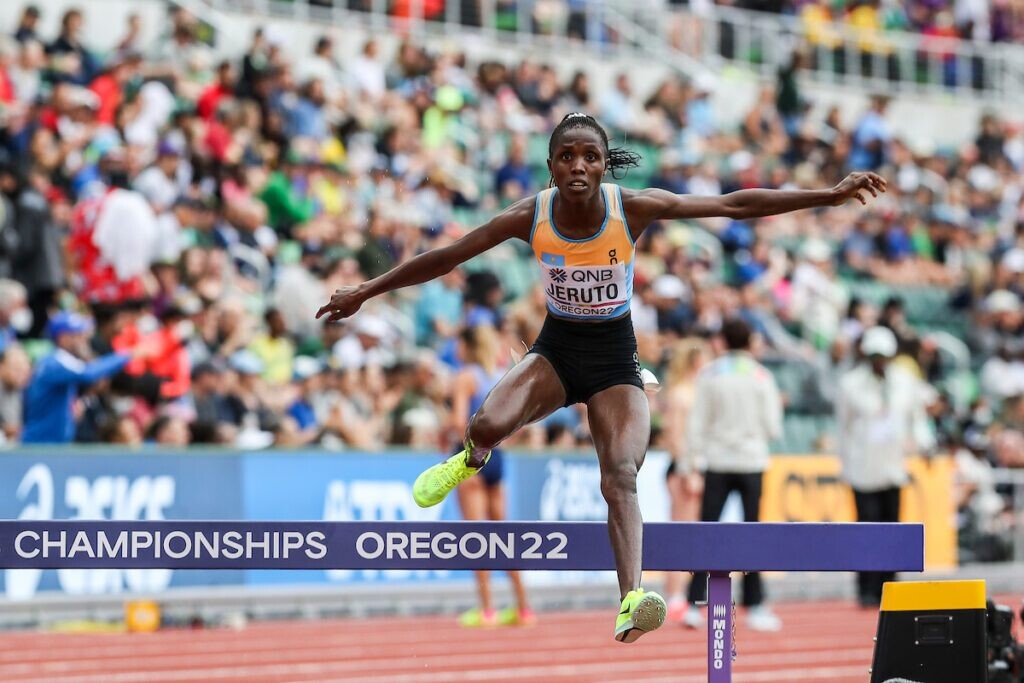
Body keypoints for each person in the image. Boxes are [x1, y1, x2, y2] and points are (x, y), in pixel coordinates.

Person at [317, 112, 887, 643]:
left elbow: (733, 204)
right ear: (551, 166)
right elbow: (448, 256)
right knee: (486, 424)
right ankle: (470, 458)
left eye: (590, 156)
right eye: (566, 156)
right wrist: (366, 291)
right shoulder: (529, 215)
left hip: (615, 360)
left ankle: (631, 599)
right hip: (557, 351)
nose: (578, 166)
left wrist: (828, 195)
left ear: (604, 163)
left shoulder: (631, 208)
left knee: (620, 476)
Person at [683, 318, 784, 632]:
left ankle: (694, 603)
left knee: (706, 532)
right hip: (751, 461)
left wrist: (690, 464)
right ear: (750, 342)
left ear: (722, 341)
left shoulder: (710, 374)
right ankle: (755, 604)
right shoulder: (761, 376)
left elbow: (697, 423)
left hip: (717, 461)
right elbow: (773, 427)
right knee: (752, 534)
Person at [837, 326, 936, 607]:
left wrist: (926, 444)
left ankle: (890, 587)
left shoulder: (905, 381)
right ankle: (866, 588)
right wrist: (845, 465)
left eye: (883, 356)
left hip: (893, 466)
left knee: (893, 530)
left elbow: (916, 419)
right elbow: (843, 428)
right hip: (863, 468)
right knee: (866, 531)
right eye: (874, 356)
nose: (879, 362)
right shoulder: (850, 384)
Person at [449, 324, 534, 628]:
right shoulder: (498, 376)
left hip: (469, 457)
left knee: (477, 535)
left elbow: (458, 421)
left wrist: (448, 432)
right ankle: (523, 607)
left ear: (467, 346)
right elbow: (517, 421)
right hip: (495, 455)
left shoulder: (465, 377)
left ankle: (487, 609)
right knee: (503, 534)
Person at [22, 312, 140, 444]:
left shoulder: (57, 360)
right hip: (41, 443)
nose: (84, 339)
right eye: (77, 335)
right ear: (63, 338)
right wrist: (126, 355)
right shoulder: (56, 361)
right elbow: (88, 373)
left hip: (51, 442)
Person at [660, 337, 710, 623]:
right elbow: (675, 437)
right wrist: (687, 470)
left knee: (696, 533)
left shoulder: (700, 391)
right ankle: (675, 593)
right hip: (683, 469)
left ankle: (689, 591)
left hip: (698, 466)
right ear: (695, 361)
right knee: (682, 531)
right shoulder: (681, 393)